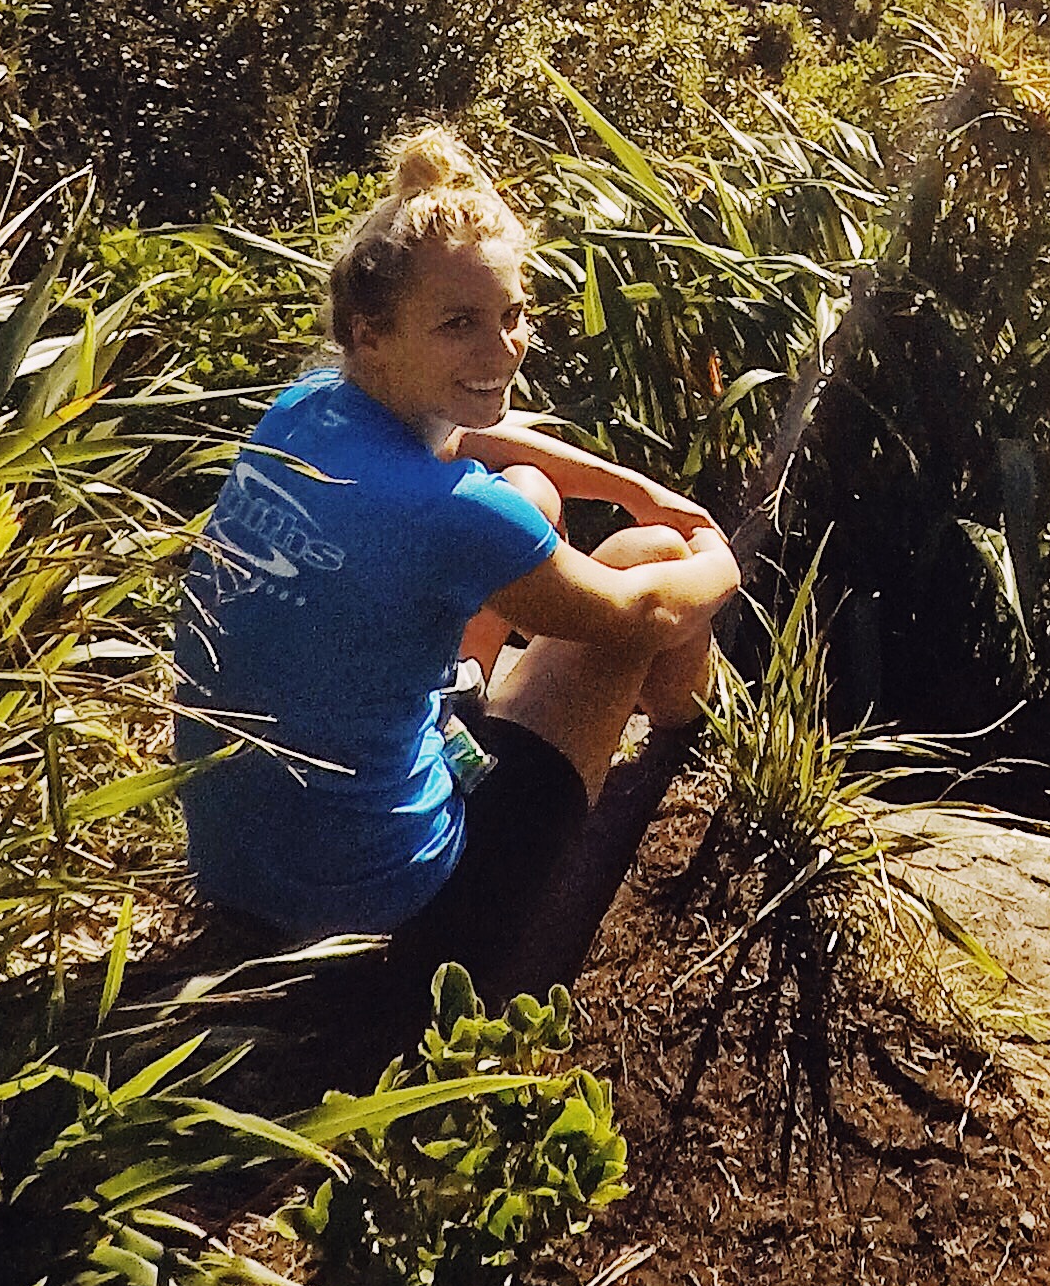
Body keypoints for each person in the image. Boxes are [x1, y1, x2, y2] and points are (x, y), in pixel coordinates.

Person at [177, 126, 740, 1006]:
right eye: (461, 324)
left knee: (529, 488)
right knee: (651, 560)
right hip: (394, 919)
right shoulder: (451, 518)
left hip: (239, 871)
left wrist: (631, 483)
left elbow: (474, 433)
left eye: (513, 315)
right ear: (372, 334)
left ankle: (474, 686)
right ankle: (683, 733)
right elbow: (641, 611)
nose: (503, 347)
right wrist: (715, 553)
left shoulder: (305, 407)